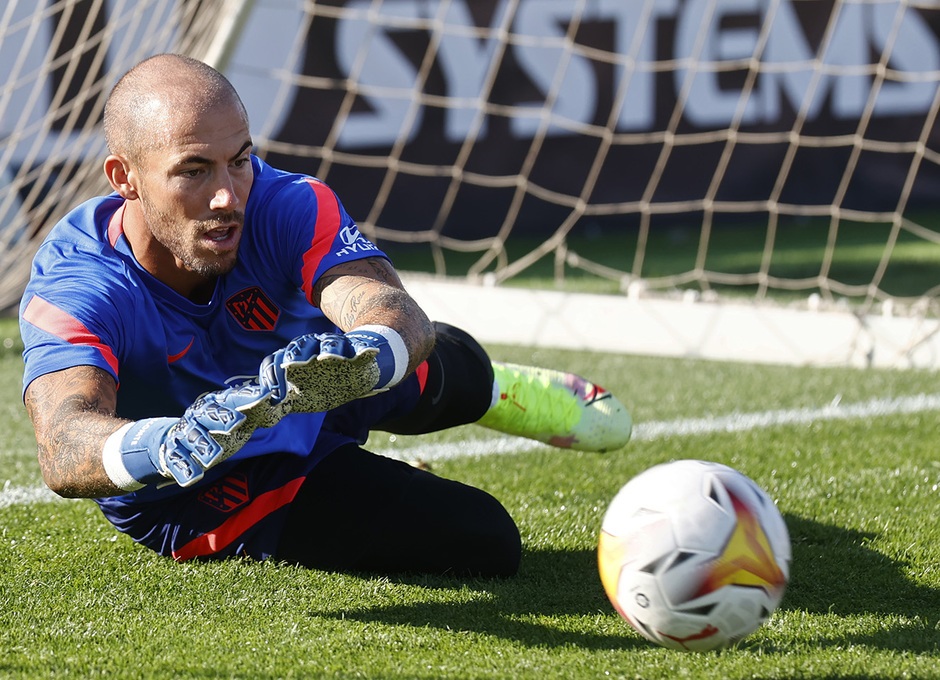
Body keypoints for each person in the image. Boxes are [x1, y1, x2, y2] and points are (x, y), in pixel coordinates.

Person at [18, 54, 631, 577]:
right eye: (194, 170)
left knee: (435, 369)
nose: (229, 194)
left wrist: (369, 354)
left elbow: (390, 311)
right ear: (124, 177)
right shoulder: (77, 285)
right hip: (205, 487)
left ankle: (495, 390)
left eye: (239, 158)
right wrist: (169, 442)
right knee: (485, 539)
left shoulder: (286, 202)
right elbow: (64, 442)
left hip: (301, 386)